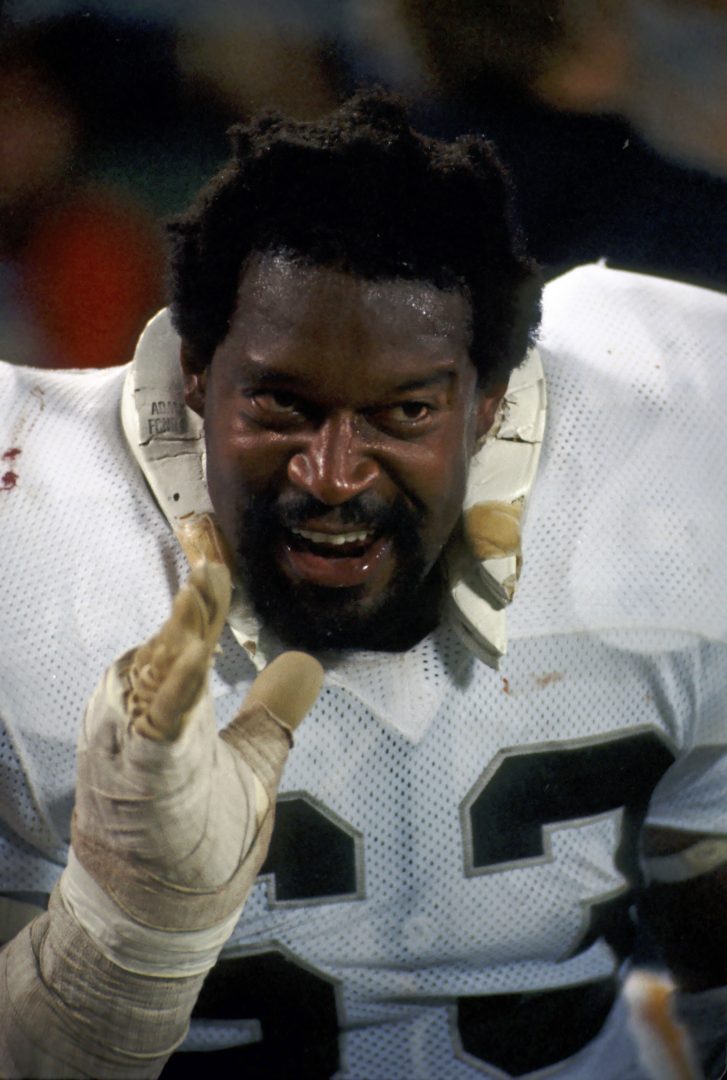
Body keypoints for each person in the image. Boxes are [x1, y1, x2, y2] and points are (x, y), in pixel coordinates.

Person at [0, 92, 725, 1078]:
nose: (333, 475)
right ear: (194, 378)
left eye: (404, 412)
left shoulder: (676, 453)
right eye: (280, 405)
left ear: (490, 405)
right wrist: (123, 950)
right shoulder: (27, 522)